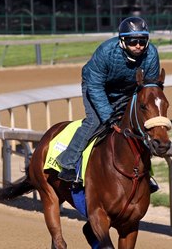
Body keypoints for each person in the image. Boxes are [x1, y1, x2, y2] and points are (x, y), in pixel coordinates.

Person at [56, 16, 161, 186]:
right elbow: (95, 85)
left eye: (142, 41)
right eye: (133, 41)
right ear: (122, 41)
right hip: (97, 86)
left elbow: (150, 86)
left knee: (139, 123)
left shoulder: (151, 54)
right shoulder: (106, 51)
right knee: (95, 121)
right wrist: (108, 115)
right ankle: (67, 163)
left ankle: (145, 174)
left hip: (128, 88)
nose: (138, 46)